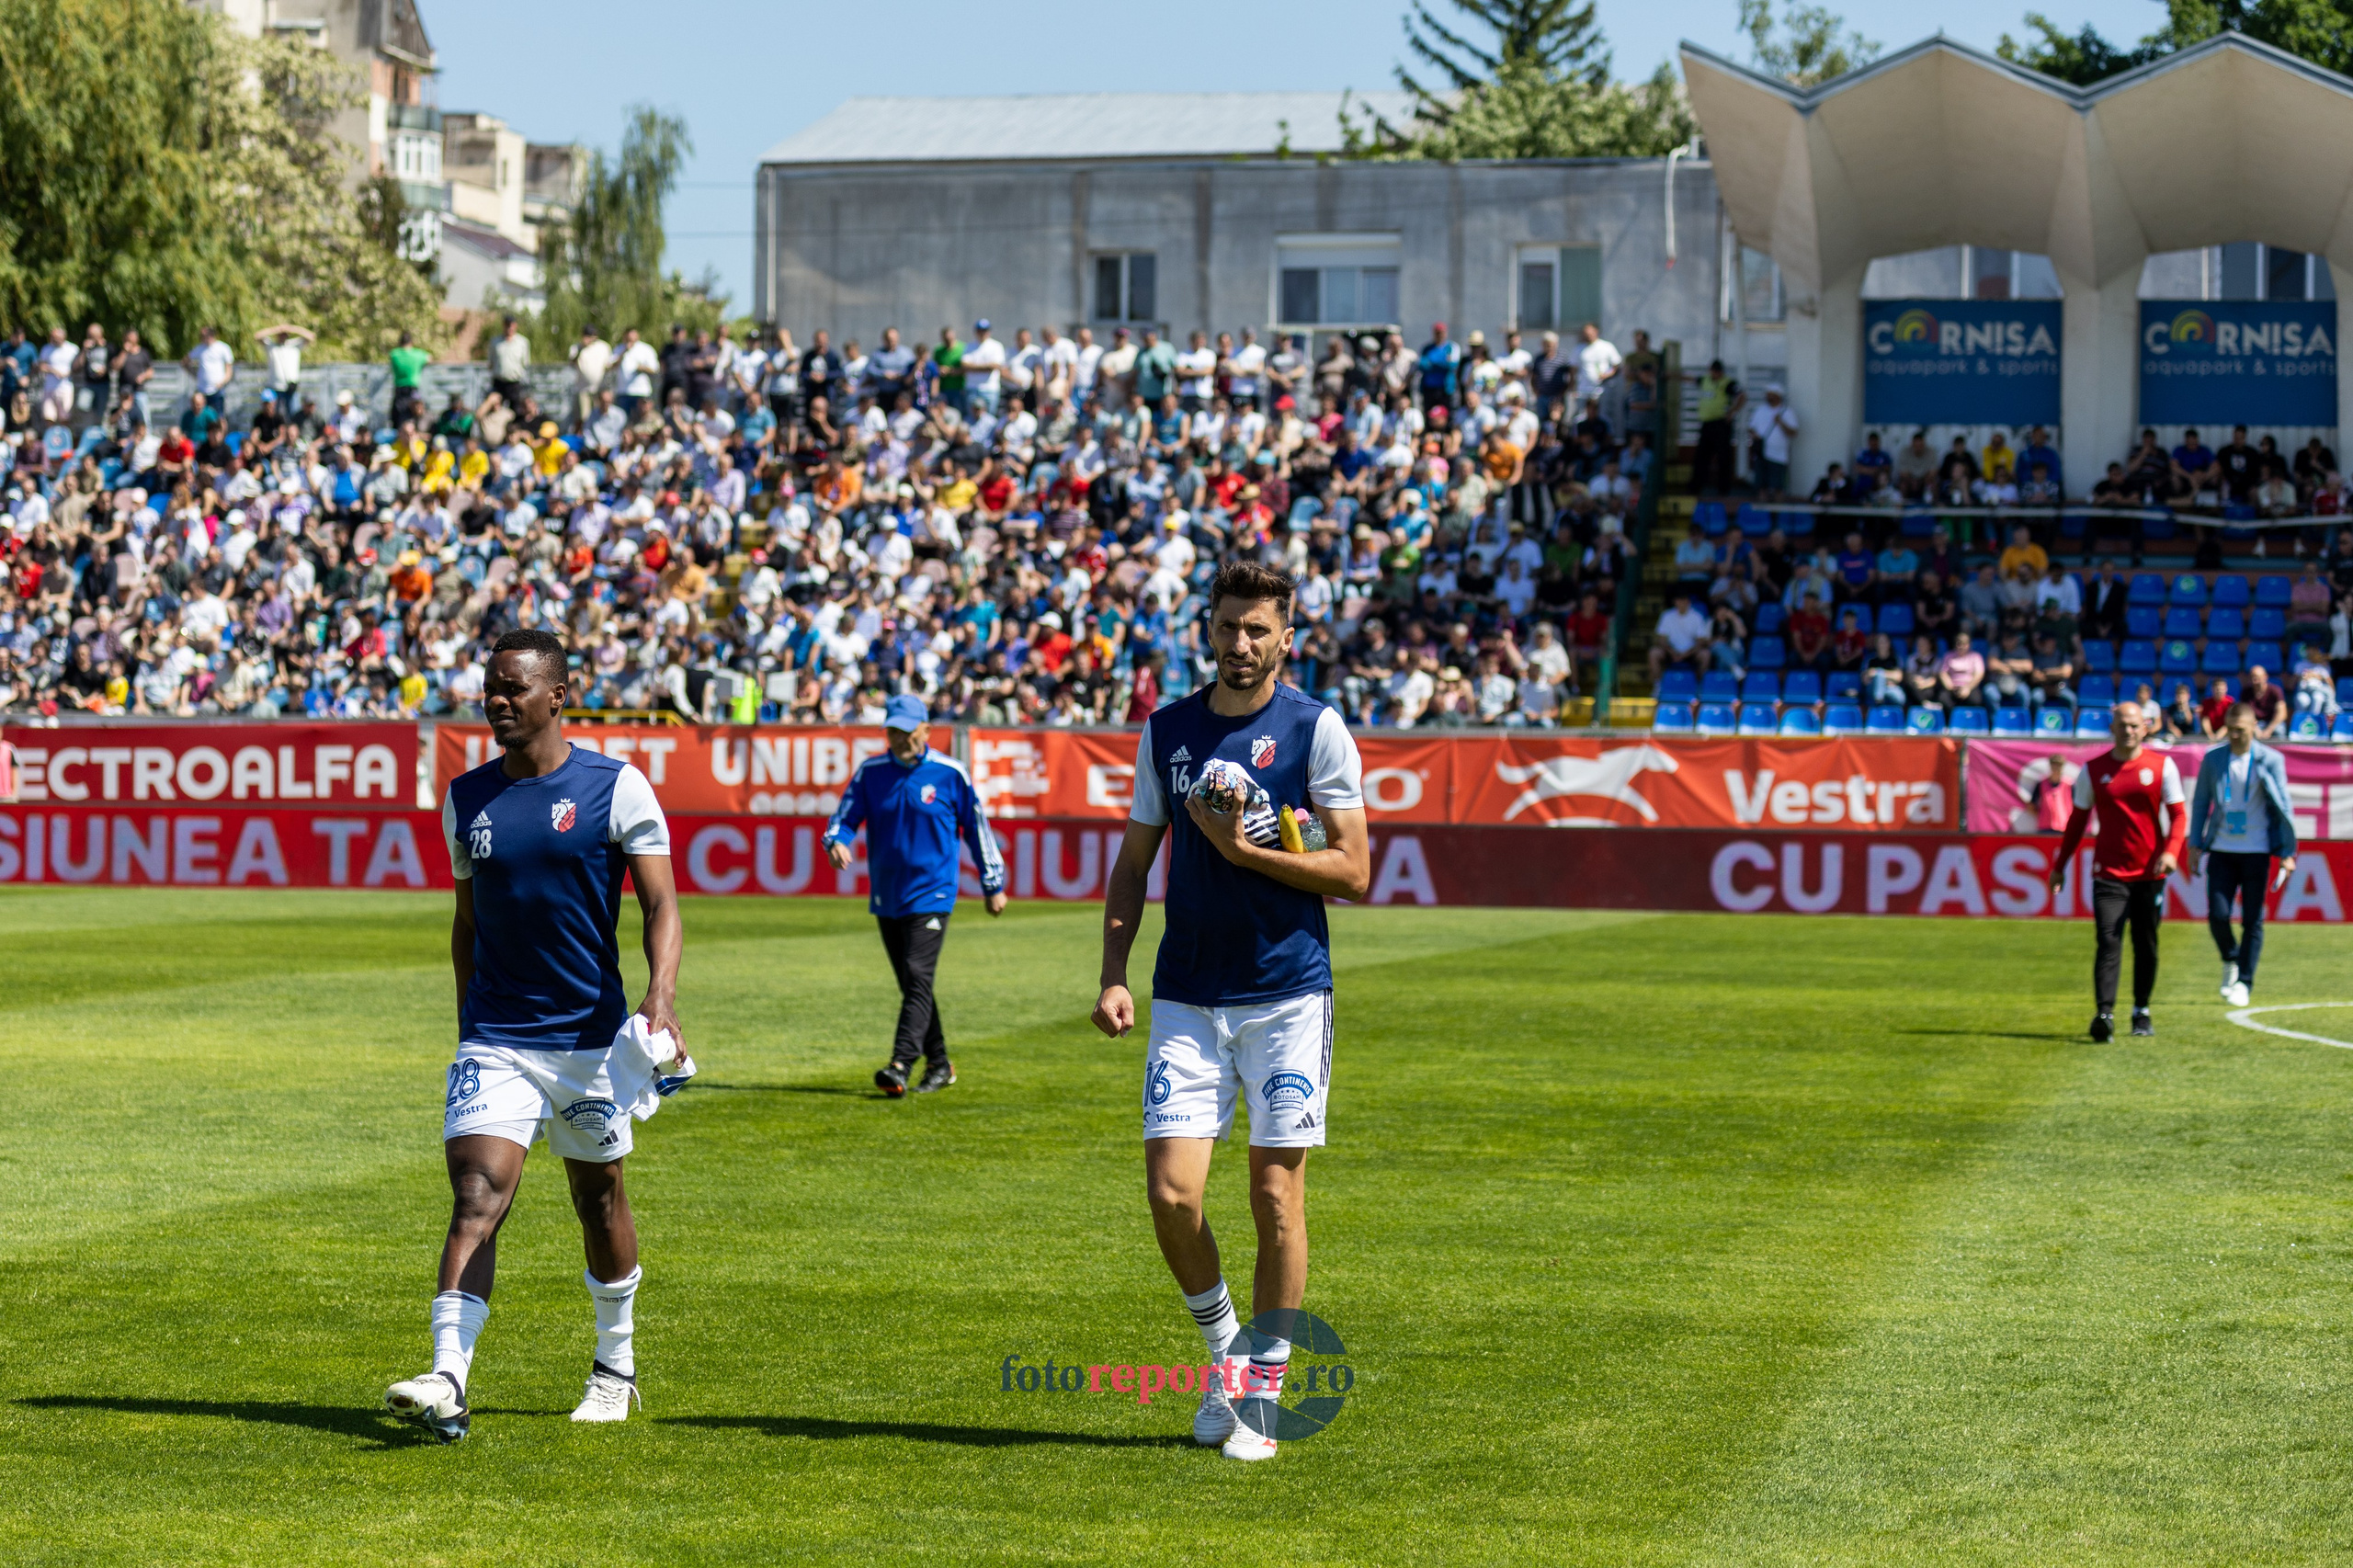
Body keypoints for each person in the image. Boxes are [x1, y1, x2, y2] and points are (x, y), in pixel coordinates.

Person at [1091, 561, 1370, 1463]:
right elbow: (1135, 863)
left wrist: (1244, 848)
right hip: (1185, 990)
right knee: (1171, 1194)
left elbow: (1354, 872)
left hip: (1287, 994)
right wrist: (1112, 971)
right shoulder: (1167, 730)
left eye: (1258, 630)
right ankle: (1223, 1357)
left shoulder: (1315, 728)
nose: (1241, 644)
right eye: (1227, 628)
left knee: (1273, 1196)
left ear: (1288, 636)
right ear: (1205, 631)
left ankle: (1262, 1392)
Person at [384, 629, 689, 1443]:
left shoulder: (616, 788)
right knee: (477, 1195)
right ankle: (448, 1377)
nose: (498, 700)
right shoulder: (466, 797)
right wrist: (465, 1026)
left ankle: (614, 1367)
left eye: (515, 687)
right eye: (490, 686)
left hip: (591, 1042)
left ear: (558, 695)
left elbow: (661, 906)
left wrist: (660, 995)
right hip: (497, 1038)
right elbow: (466, 921)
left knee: (599, 1199)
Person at [824, 694, 1008, 1096]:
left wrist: (992, 883)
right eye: (892, 731)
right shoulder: (871, 771)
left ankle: (901, 1064)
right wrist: (837, 840)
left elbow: (977, 829)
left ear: (926, 730)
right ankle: (939, 1064)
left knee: (918, 975)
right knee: (913, 983)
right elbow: (844, 817)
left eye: (906, 731)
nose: (899, 738)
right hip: (887, 896)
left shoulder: (950, 773)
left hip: (933, 894)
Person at [2049, 706, 2187, 1041]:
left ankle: (2141, 1010)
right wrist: (2060, 865)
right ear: (2112, 727)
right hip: (2108, 873)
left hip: (2150, 874)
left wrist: (2171, 852)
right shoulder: (2093, 770)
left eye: (2134, 725)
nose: (2128, 730)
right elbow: (2077, 822)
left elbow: (2180, 816)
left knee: (2147, 944)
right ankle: (2104, 1015)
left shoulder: (2162, 765)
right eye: (2122, 725)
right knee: (2108, 941)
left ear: (2146, 728)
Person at [2186, 701, 2298, 1009]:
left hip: (2257, 851)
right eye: (2231, 730)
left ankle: (2245, 981)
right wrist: (2195, 844)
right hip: (2221, 849)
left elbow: (2284, 807)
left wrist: (2288, 853)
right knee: (2218, 915)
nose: (2235, 735)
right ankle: (2230, 959)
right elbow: (2200, 804)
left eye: (2241, 730)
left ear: (2253, 728)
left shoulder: (2270, 760)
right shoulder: (2213, 759)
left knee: (2253, 920)